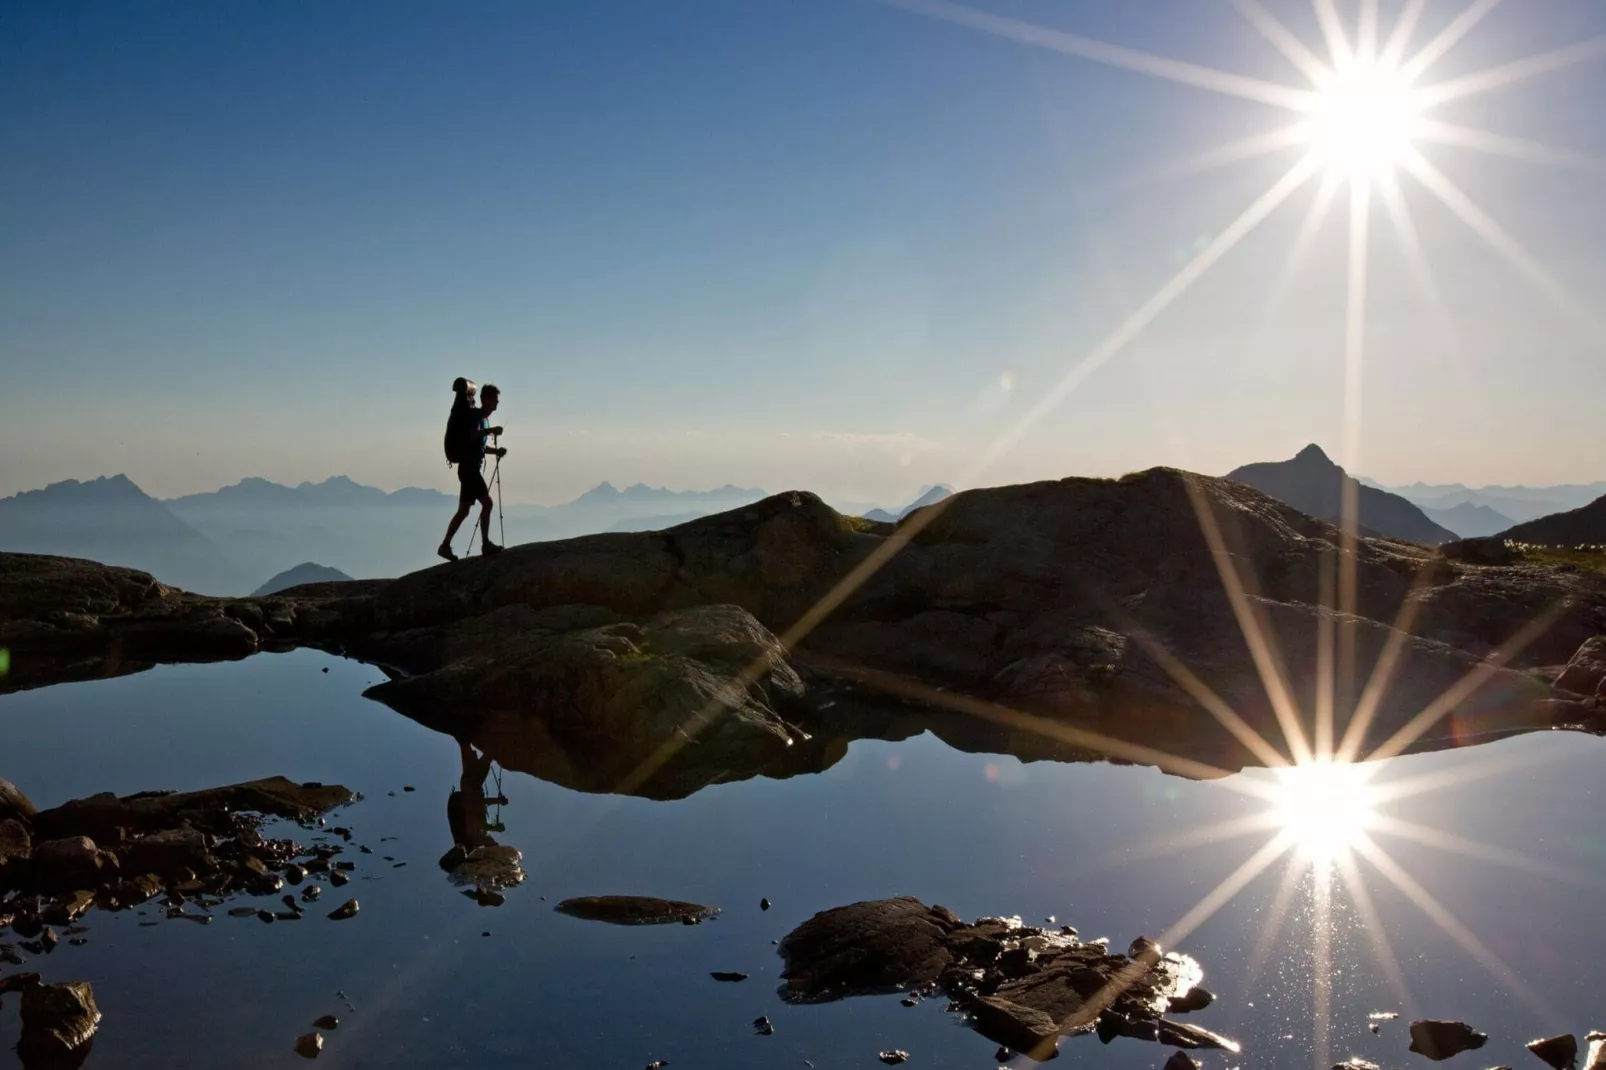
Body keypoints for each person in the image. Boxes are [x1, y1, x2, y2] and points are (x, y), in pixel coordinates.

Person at [438, 379, 507, 560]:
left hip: (469, 468)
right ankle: (485, 544)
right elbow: (470, 436)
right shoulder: (476, 417)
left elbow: (479, 447)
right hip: (469, 469)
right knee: (488, 504)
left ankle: (445, 546)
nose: (497, 403)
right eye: (495, 400)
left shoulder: (483, 420)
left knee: (464, 511)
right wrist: (490, 431)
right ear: (487, 400)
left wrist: (495, 451)